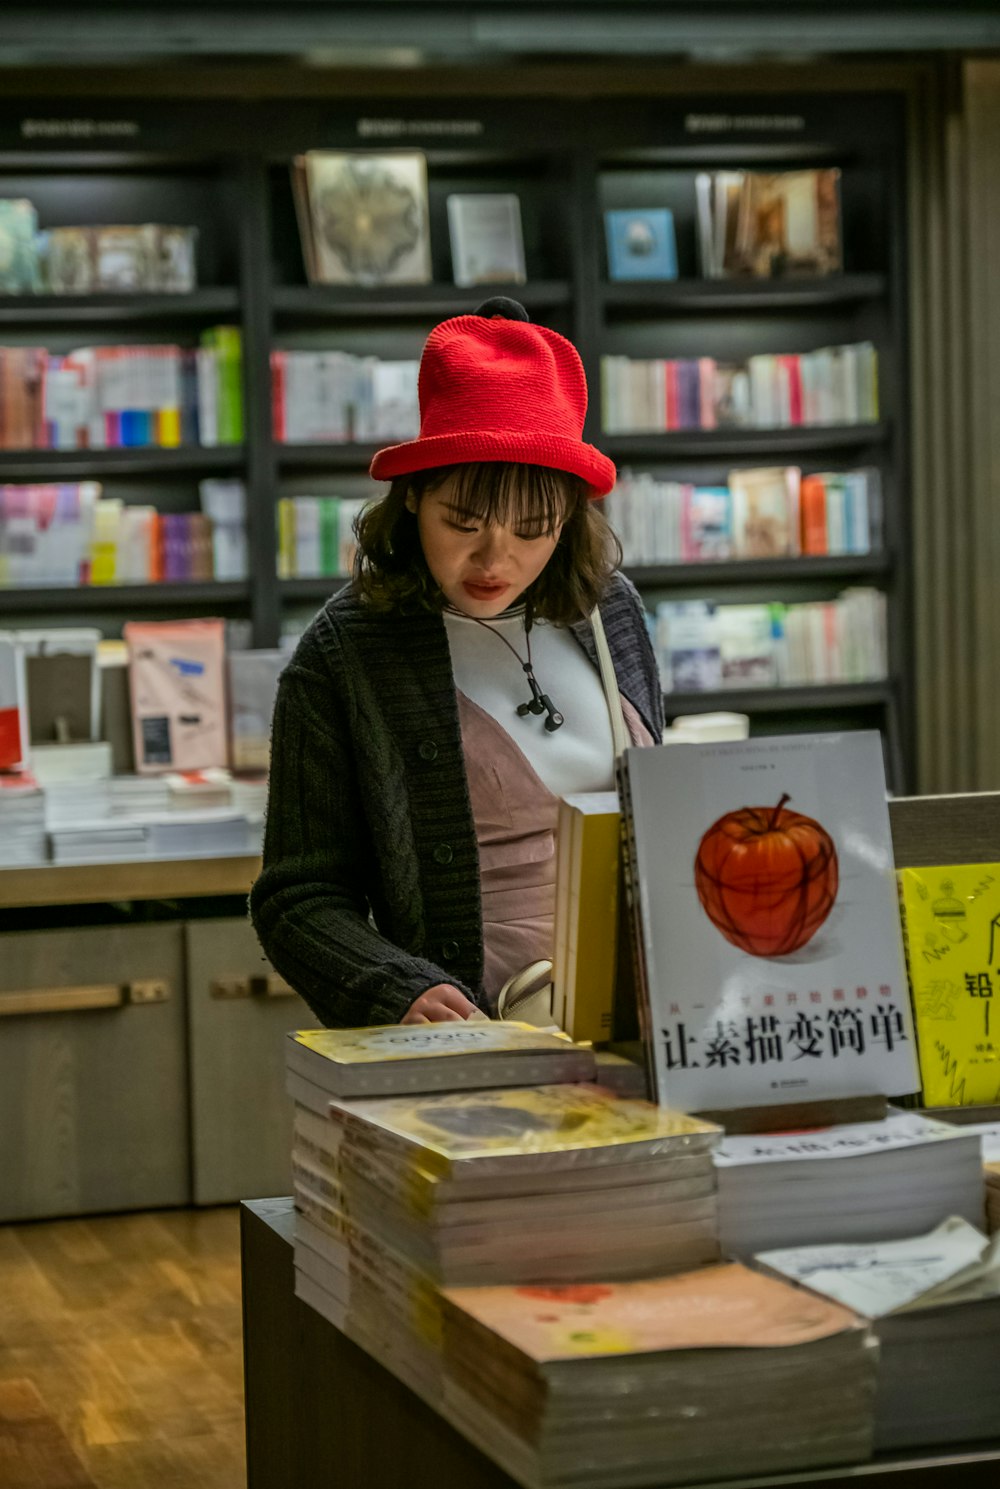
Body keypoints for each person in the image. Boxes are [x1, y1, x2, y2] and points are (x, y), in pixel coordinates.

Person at [250, 297, 663, 1028]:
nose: (495, 558)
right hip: (483, 1029)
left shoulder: (612, 612)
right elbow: (297, 897)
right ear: (411, 498)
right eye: (462, 522)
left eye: (532, 529)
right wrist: (393, 987)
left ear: (568, 519)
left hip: (651, 1005)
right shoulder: (345, 654)